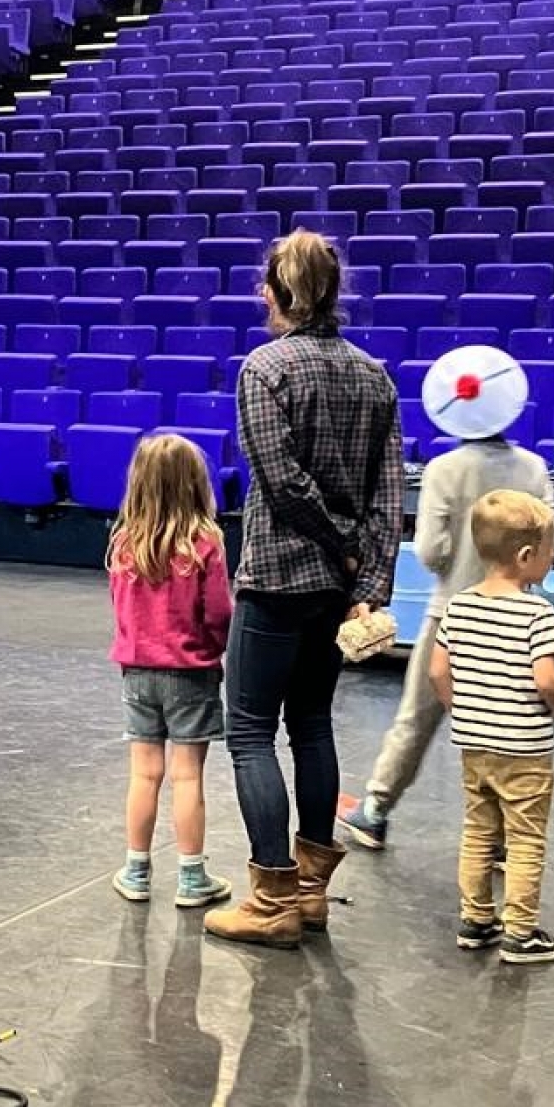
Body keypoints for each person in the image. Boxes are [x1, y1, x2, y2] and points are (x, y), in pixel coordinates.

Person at [204, 230, 403, 949]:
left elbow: (282, 485)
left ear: (277, 293)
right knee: (312, 725)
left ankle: (272, 900)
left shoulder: (264, 368)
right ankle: (314, 894)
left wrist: (340, 546)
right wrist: (368, 575)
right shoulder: (375, 375)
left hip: (279, 577)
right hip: (337, 590)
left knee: (251, 732)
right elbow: (388, 491)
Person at [339, 345, 554, 849]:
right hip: (518, 621)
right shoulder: (533, 469)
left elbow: (434, 552)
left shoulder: (443, 469)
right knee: (508, 725)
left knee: (417, 716)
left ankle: (375, 810)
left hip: (452, 618)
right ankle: (504, 837)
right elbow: (553, 544)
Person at [430, 490, 554, 966]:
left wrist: (462, 710)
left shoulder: (459, 606)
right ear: (525, 556)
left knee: (478, 830)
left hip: (475, 745)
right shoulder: (537, 613)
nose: (551, 561)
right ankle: (520, 932)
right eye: (550, 554)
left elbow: (438, 671)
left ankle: (476, 921)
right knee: (525, 839)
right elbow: (546, 678)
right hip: (525, 751)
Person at [106, 434, 235, 907]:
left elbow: (121, 611)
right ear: (196, 485)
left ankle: (136, 871)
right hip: (191, 673)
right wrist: (215, 650)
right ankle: (191, 877)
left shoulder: (124, 543)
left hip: (137, 673)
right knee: (187, 777)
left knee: (144, 774)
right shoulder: (205, 544)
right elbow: (218, 612)